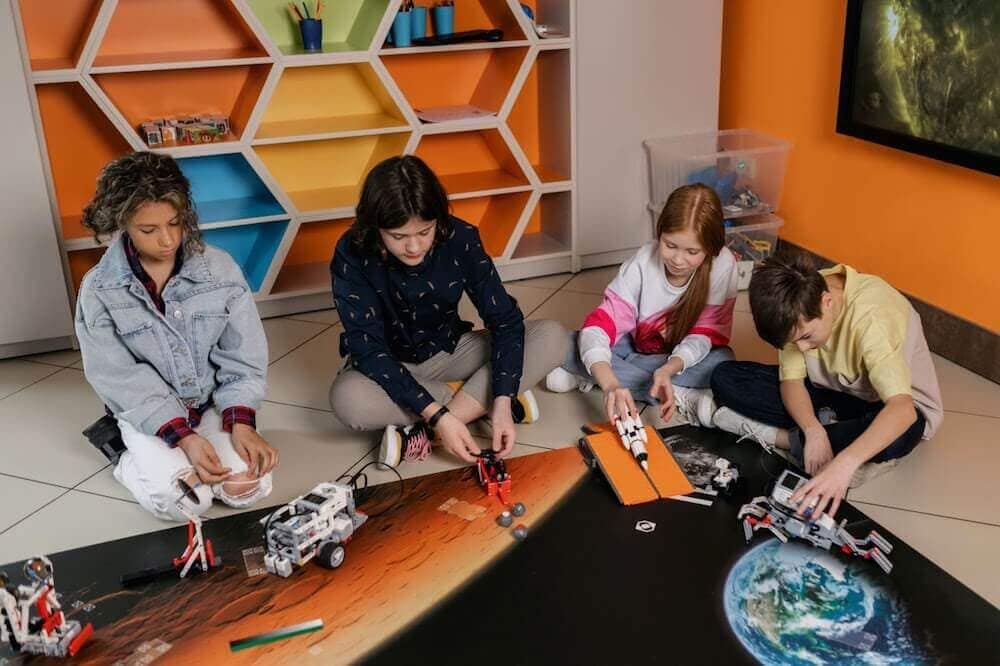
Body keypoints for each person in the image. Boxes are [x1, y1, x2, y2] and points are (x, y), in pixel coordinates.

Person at [75, 152, 277, 521]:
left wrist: (242, 422)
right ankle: (125, 456)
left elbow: (242, 353)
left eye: (175, 222)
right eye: (148, 230)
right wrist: (183, 437)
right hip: (147, 412)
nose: (167, 240)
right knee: (185, 503)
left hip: (208, 403)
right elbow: (117, 376)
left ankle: (184, 454)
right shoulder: (99, 290)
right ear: (123, 225)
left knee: (248, 486)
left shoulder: (220, 269)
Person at [328, 155, 567, 466]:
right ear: (375, 228)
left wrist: (503, 401)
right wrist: (441, 414)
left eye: (424, 232)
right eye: (399, 237)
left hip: (452, 350)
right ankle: (474, 402)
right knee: (348, 400)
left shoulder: (460, 237)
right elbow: (369, 349)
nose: (414, 247)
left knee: (553, 336)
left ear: (437, 220)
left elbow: (505, 321)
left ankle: (427, 428)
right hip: (387, 363)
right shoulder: (352, 251)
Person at [710, 254, 944, 518]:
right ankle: (828, 432)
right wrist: (813, 430)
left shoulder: (873, 319)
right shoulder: (794, 302)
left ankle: (784, 439)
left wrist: (843, 465)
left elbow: (902, 409)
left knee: (904, 433)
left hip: (892, 406)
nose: (801, 348)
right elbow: (792, 380)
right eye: (793, 342)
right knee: (725, 376)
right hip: (834, 393)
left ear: (827, 302)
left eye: (807, 337)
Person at [546, 183, 738, 426]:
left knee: (723, 365)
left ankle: (588, 374)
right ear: (660, 233)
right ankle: (679, 394)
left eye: (692, 251)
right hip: (634, 346)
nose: (678, 260)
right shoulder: (643, 261)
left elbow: (705, 335)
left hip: (681, 357)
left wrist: (669, 369)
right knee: (564, 341)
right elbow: (603, 323)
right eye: (670, 245)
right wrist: (610, 385)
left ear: (710, 248)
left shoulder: (723, 265)